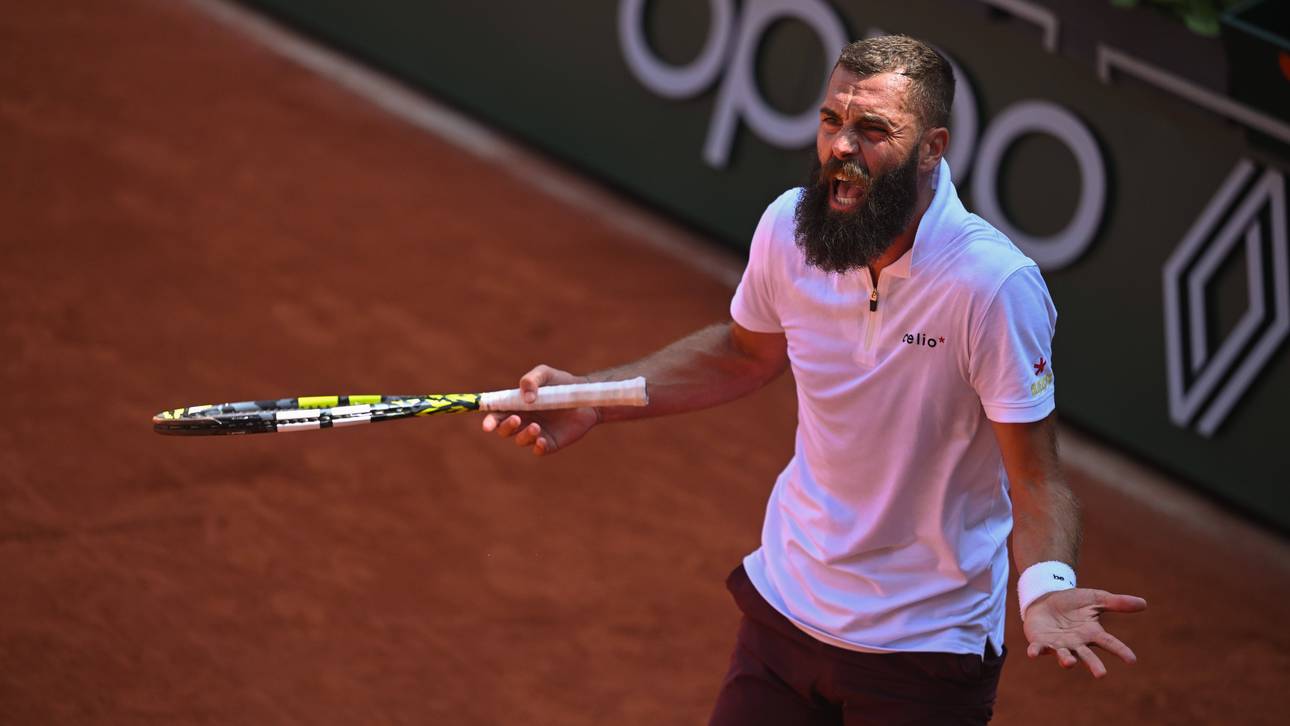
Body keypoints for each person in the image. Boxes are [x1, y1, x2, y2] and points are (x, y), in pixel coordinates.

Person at [481, 35, 1146, 725]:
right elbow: (743, 354)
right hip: (786, 614)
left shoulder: (992, 288)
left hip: (921, 655)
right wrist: (593, 397)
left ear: (931, 147)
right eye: (832, 121)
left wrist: (1045, 588)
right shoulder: (790, 229)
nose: (841, 148)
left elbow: (1037, 481)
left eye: (872, 130)